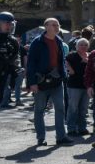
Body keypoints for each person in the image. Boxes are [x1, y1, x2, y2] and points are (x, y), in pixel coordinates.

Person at [26, 18, 70, 146]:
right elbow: (31, 64)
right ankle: (41, 138)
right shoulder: (37, 42)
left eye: (58, 25)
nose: (57, 27)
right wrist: (32, 83)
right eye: (54, 25)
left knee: (60, 109)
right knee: (39, 110)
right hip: (41, 82)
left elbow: (61, 61)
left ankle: (61, 136)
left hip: (57, 81)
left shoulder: (59, 41)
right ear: (46, 27)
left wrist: (64, 75)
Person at [65, 38, 90, 137]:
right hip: (74, 86)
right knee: (73, 108)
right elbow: (70, 68)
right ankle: (71, 129)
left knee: (84, 108)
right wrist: (71, 69)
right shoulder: (71, 56)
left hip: (86, 86)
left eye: (85, 45)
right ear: (76, 46)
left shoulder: (90, 56)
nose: (83, 46)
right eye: (81, 45)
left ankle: (82, 128)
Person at [0, 12, 21, 110]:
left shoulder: (13, 41)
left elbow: (14, 58)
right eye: (6, 23)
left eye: (11, 23)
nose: (9, 26)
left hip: (4, 75)